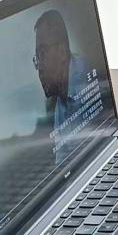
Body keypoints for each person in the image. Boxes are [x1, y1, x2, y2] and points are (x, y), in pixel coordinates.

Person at [34, 9, 92, 163]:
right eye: (37, 58)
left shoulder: (87, 74)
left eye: (43, 54)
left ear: (62, 51)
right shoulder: (59, 104)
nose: (39, 67)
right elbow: (62, 162)